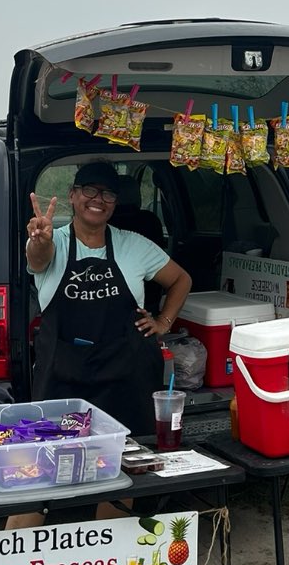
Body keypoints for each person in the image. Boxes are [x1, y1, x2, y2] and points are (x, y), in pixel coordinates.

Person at [24, 161, 191, 437]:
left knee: (134, 454)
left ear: (115, 203)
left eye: (108, 194)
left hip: (127, 377)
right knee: (65, 454)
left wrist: (164, 321)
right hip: (65, 377)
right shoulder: (54, 243)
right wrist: (39, 239)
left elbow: (181, 280)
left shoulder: (134, 245)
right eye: (90, 190)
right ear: (72, 195)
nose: (98, 200)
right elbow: (38, 258)